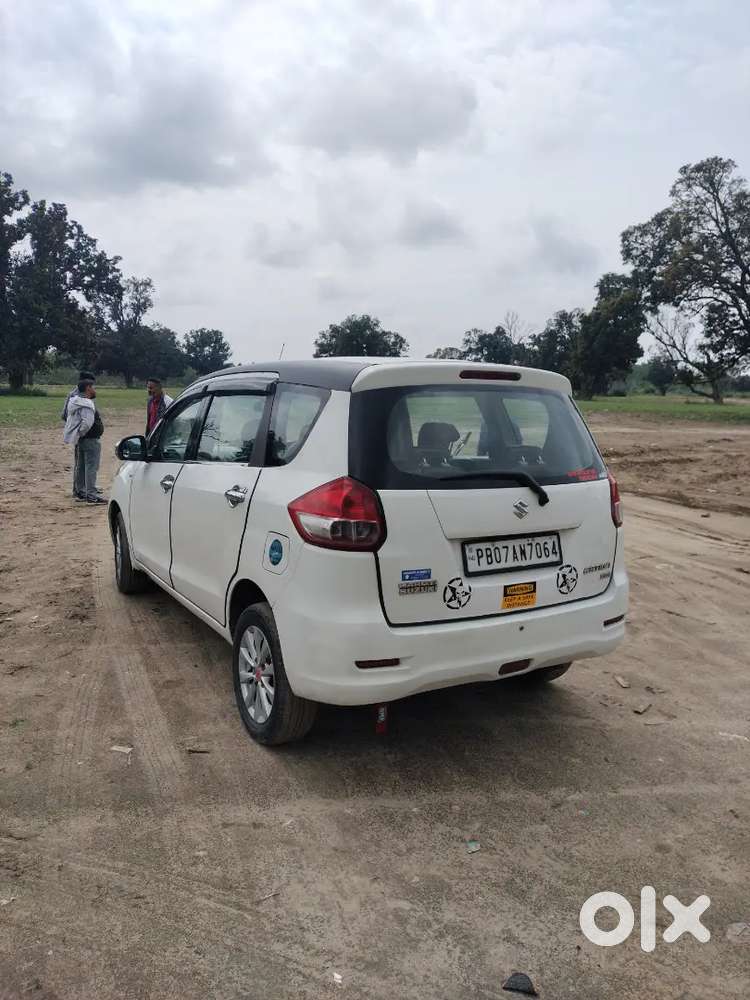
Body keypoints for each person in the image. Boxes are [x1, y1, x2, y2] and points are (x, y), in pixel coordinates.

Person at [63, 379, 106, 505]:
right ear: (88, 388)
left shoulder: (74, 401)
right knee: (91, 467)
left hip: (80, 440)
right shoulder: (87, 403)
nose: (94, 390)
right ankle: (91, 495)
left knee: (81, 466)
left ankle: (80, 491)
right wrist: (82, 433)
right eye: (92, 387)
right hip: (90, 439)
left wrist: (78, 435)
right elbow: (87, 423)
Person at [61, 371, 96, 499]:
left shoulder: (80, 395)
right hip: (82, 435)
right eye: (91, 385)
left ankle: (81, 488)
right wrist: (77, 430)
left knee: (81, 464)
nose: (93, 387)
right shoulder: (75, 396)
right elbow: (65, 415)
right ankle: (79, 490)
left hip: (81, 434)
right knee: (80, 464)